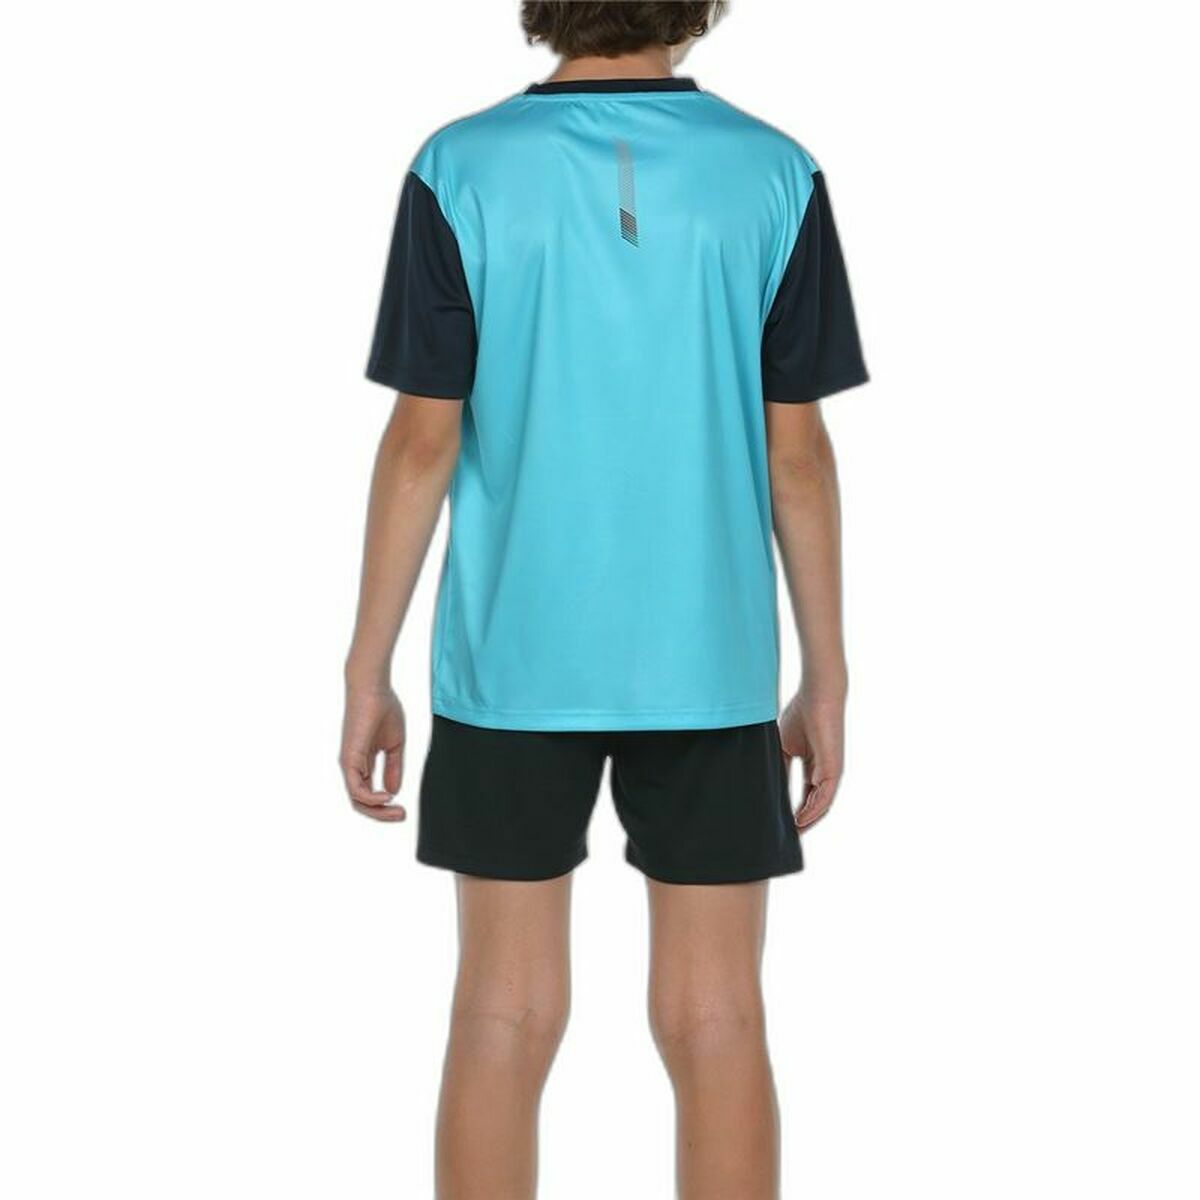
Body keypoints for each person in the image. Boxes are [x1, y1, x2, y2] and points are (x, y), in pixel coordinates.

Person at [340, 2, 867, 1195]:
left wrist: (367, 668)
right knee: (718, 1018)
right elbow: (797, 456)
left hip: (513, 665)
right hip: (710, 667)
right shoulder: (773, 174)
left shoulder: (460, 167)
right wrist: (825, 676)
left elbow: (421, 442)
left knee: (502, 1014)